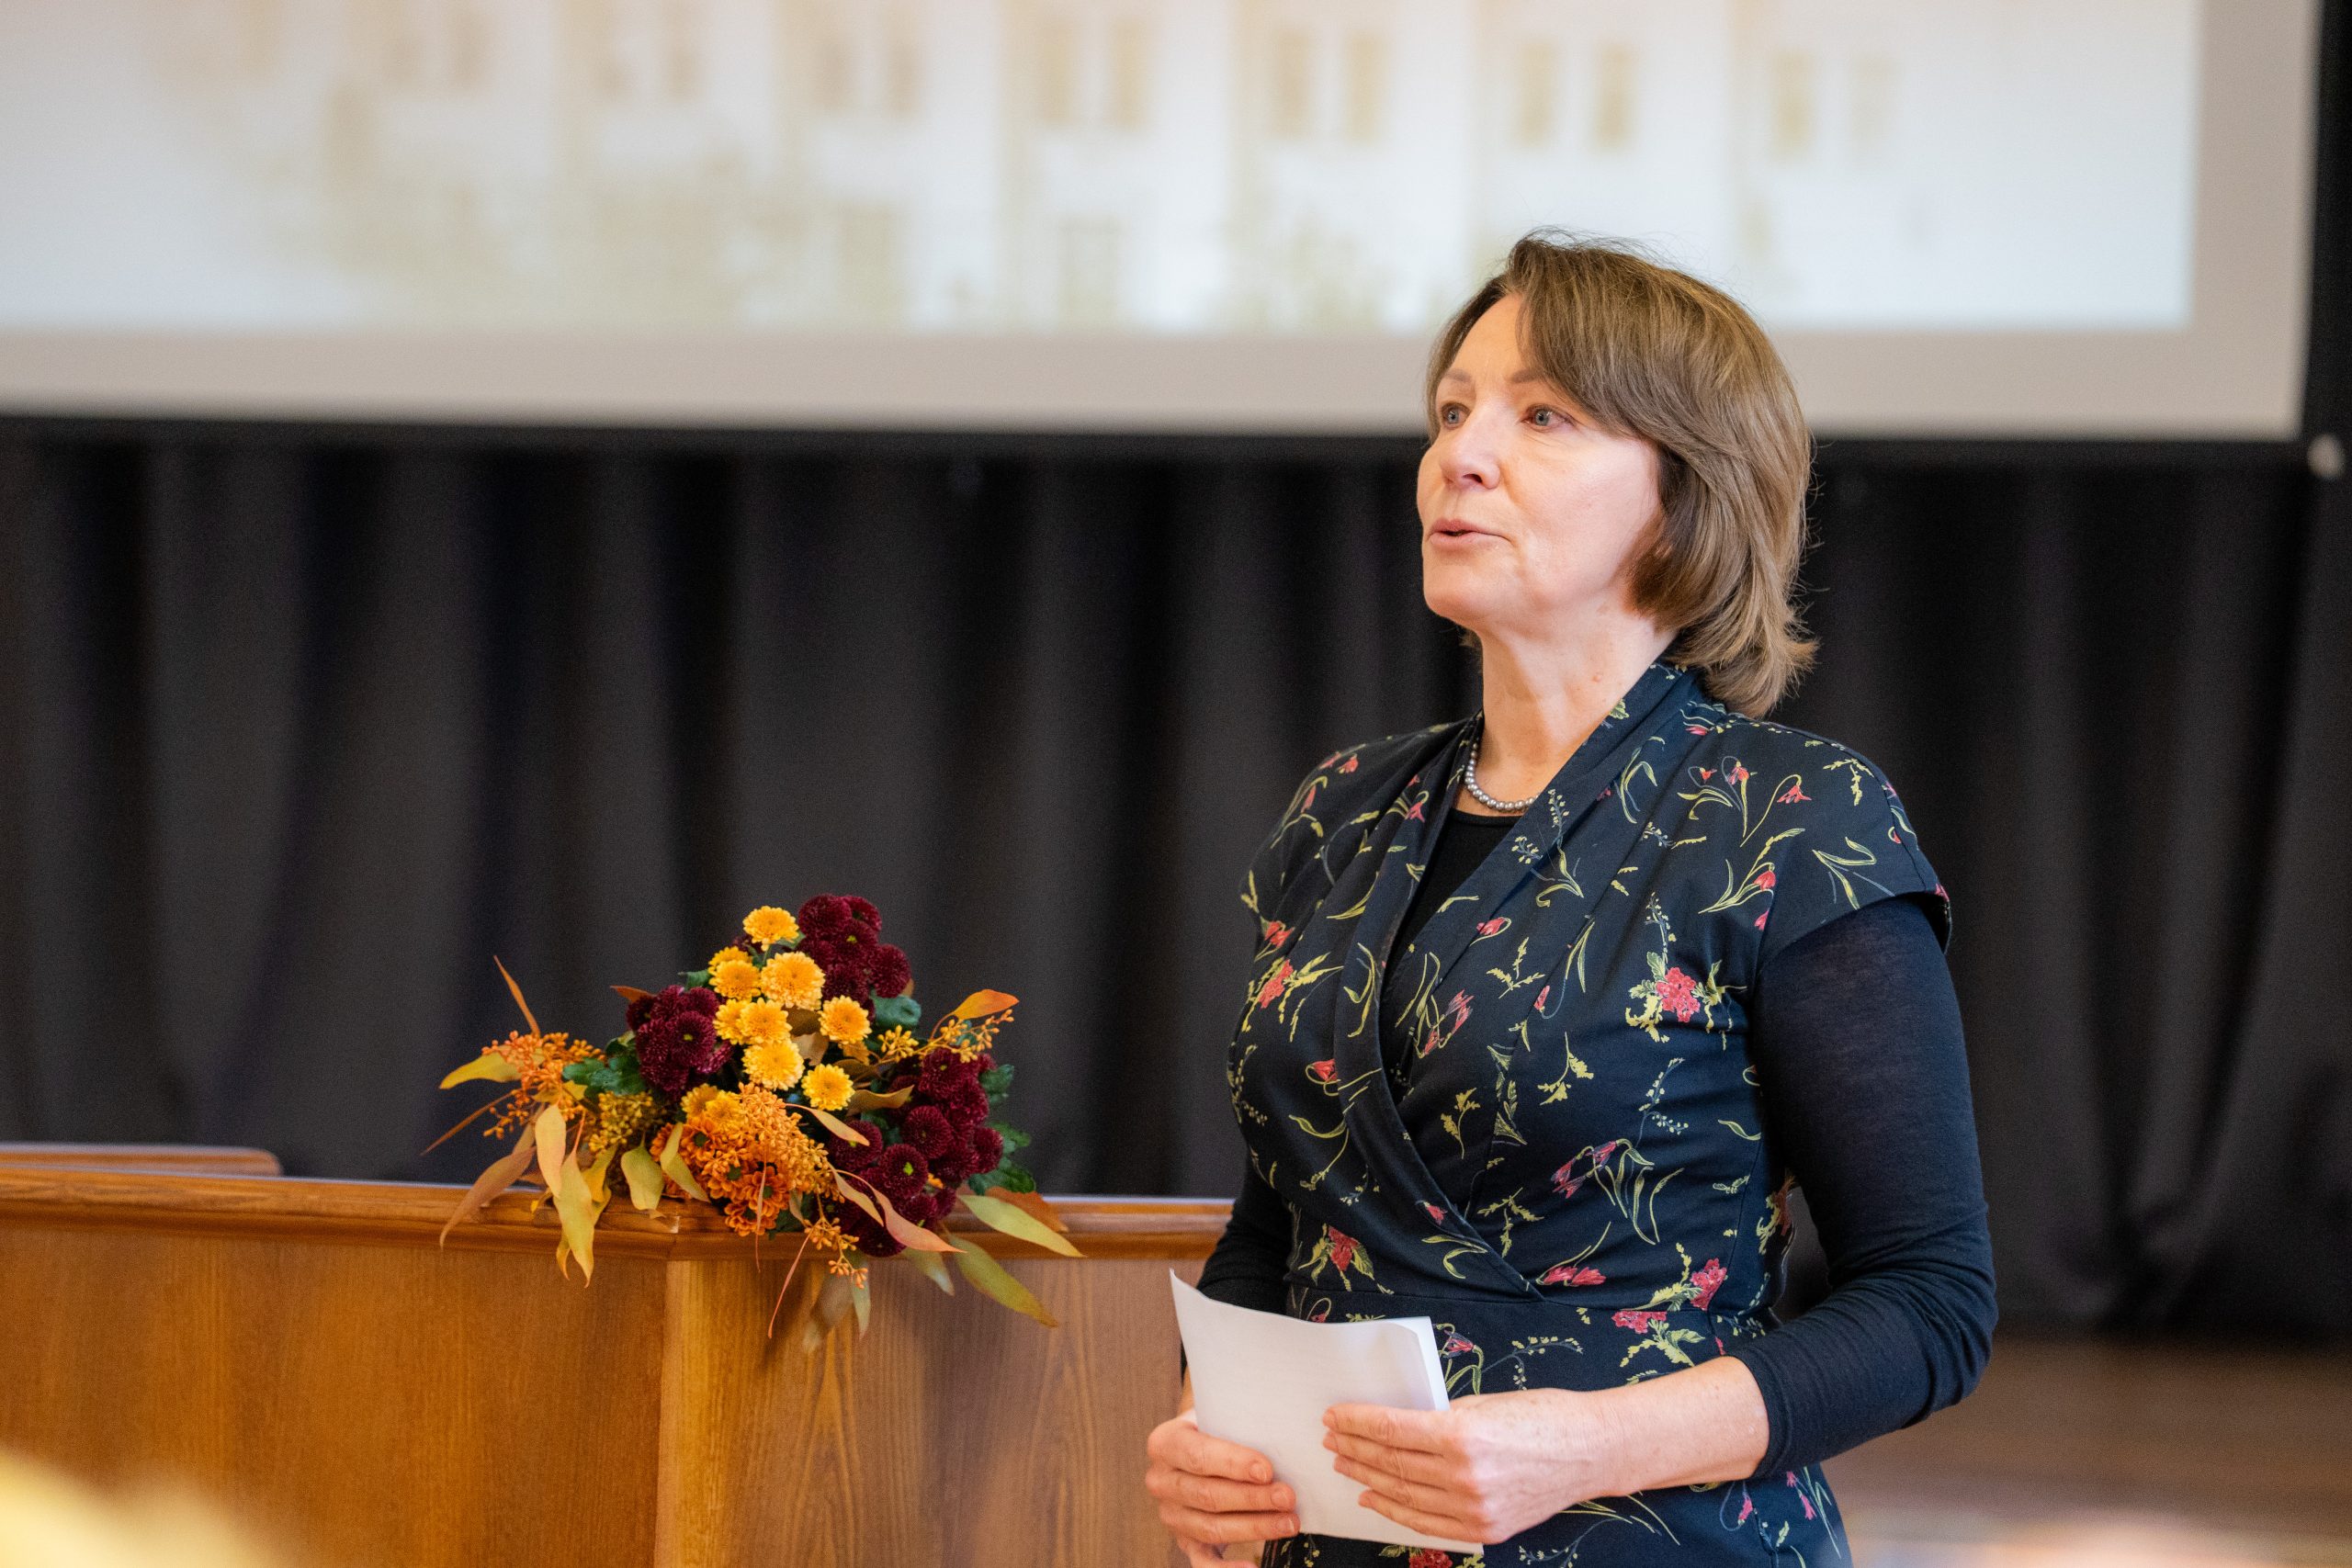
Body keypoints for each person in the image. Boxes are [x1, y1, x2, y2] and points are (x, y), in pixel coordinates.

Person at [1142, 232, 1996, 1566]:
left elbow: (1930, 1307)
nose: (1462, 455)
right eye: (1452, 411)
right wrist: (1211, 1430)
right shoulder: (1343, 809)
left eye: (1542, 416)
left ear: (1686, 493)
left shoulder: (1794, 819)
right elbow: (1285, 1227)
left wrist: (1586, 1444)